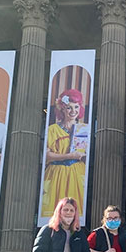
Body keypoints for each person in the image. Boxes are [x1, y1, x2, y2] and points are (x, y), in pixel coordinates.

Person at [41, 89, 89, 219]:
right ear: (62, 109)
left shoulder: (85, 129)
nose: (73, 111)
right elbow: (46, 155)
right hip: (56, 173)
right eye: (69, 107)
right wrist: (69, 156)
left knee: (78, 211)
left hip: (77, 174)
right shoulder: (52, 130)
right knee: (53, 212)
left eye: (76, 107)